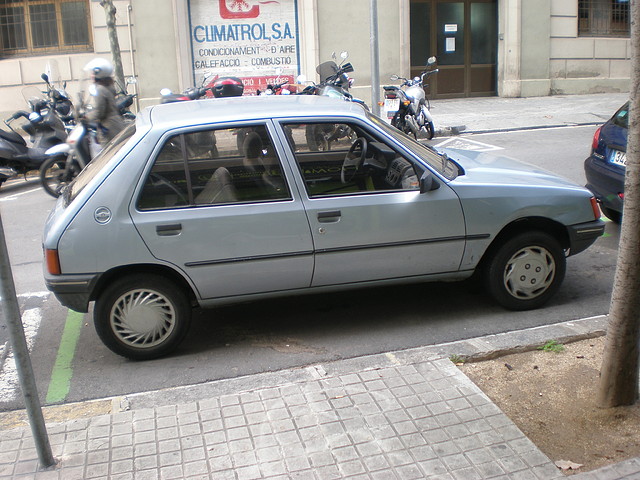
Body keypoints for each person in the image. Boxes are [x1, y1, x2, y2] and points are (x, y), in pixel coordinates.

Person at [83, 58, 125, 144]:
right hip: (115, 124)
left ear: (98, 73)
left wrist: (86, 117)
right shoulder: (108, 86)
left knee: (108, 154)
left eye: (93, 73)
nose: (91, 76)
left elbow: (100, 112)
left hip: (109, 127)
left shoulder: (100, 89)